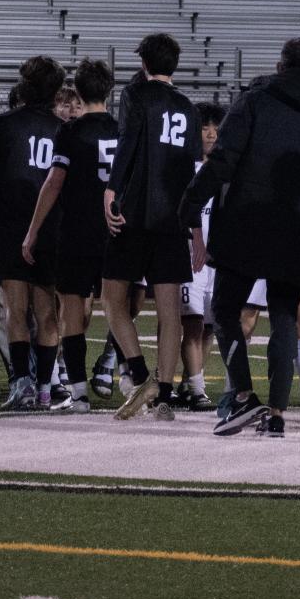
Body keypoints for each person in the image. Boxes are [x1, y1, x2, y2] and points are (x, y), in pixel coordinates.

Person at [181, 38, 300, 437]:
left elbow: (224, 159)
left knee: (223, 308)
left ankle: (242, 396)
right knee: (285, 317)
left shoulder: (255, 102)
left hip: (247, 223)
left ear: (280, 66)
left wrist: (192, 202)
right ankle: (276, 413)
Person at [0, 57, 69, 410]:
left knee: (16, 312)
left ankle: (21, 385)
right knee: (47, 313)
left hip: (10, 228)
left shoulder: (6, 123)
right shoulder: (63, 128)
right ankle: (44, 389)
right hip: (51, 230)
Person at [101, 34, 200, 421]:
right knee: (170, 311)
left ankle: (143, 376)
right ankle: (165, 394)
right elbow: (191, 167)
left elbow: (128, 142)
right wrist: (190, 223)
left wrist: (112, 189)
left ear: (143, 63)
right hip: (172, 217)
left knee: (112, 299)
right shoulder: (189, 109)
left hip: (136, 211)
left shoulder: (136, 95)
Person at [24, 57, 118, 414]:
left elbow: (54, 182)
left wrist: (32, 231)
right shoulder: (121, 129)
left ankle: (78, 393)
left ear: (77, 91)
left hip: (77, 231)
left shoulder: (72, 131)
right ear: (109, 90)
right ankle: (129, 377)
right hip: (114, 232)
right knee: (118, 309)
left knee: (71, 311)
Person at [172, 101, 228, 410]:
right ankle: (197, 389)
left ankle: (190, 382)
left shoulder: (225, 170)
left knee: (209, 327)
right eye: (205, 127)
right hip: (189, 255)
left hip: (216, 259)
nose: (210, 134)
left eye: (216, 128)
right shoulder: (185, 167)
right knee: (192, 324)